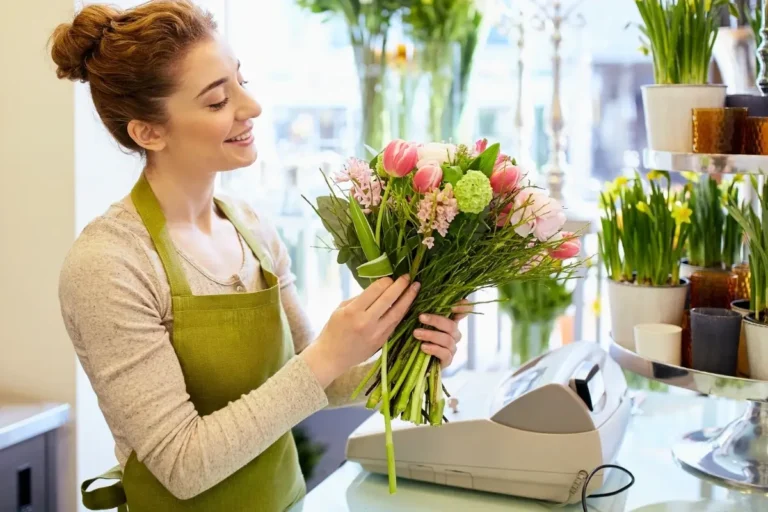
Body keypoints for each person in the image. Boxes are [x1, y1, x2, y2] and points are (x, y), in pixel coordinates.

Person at [52, 1, 470, 510]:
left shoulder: (251, 228)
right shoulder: (109, 264)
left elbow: (325, 381)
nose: (250, 108)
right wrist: (327, 356)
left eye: (241, 80)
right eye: (215, 102)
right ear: (148, 132)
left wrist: (413, 357)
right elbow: (183, 465)